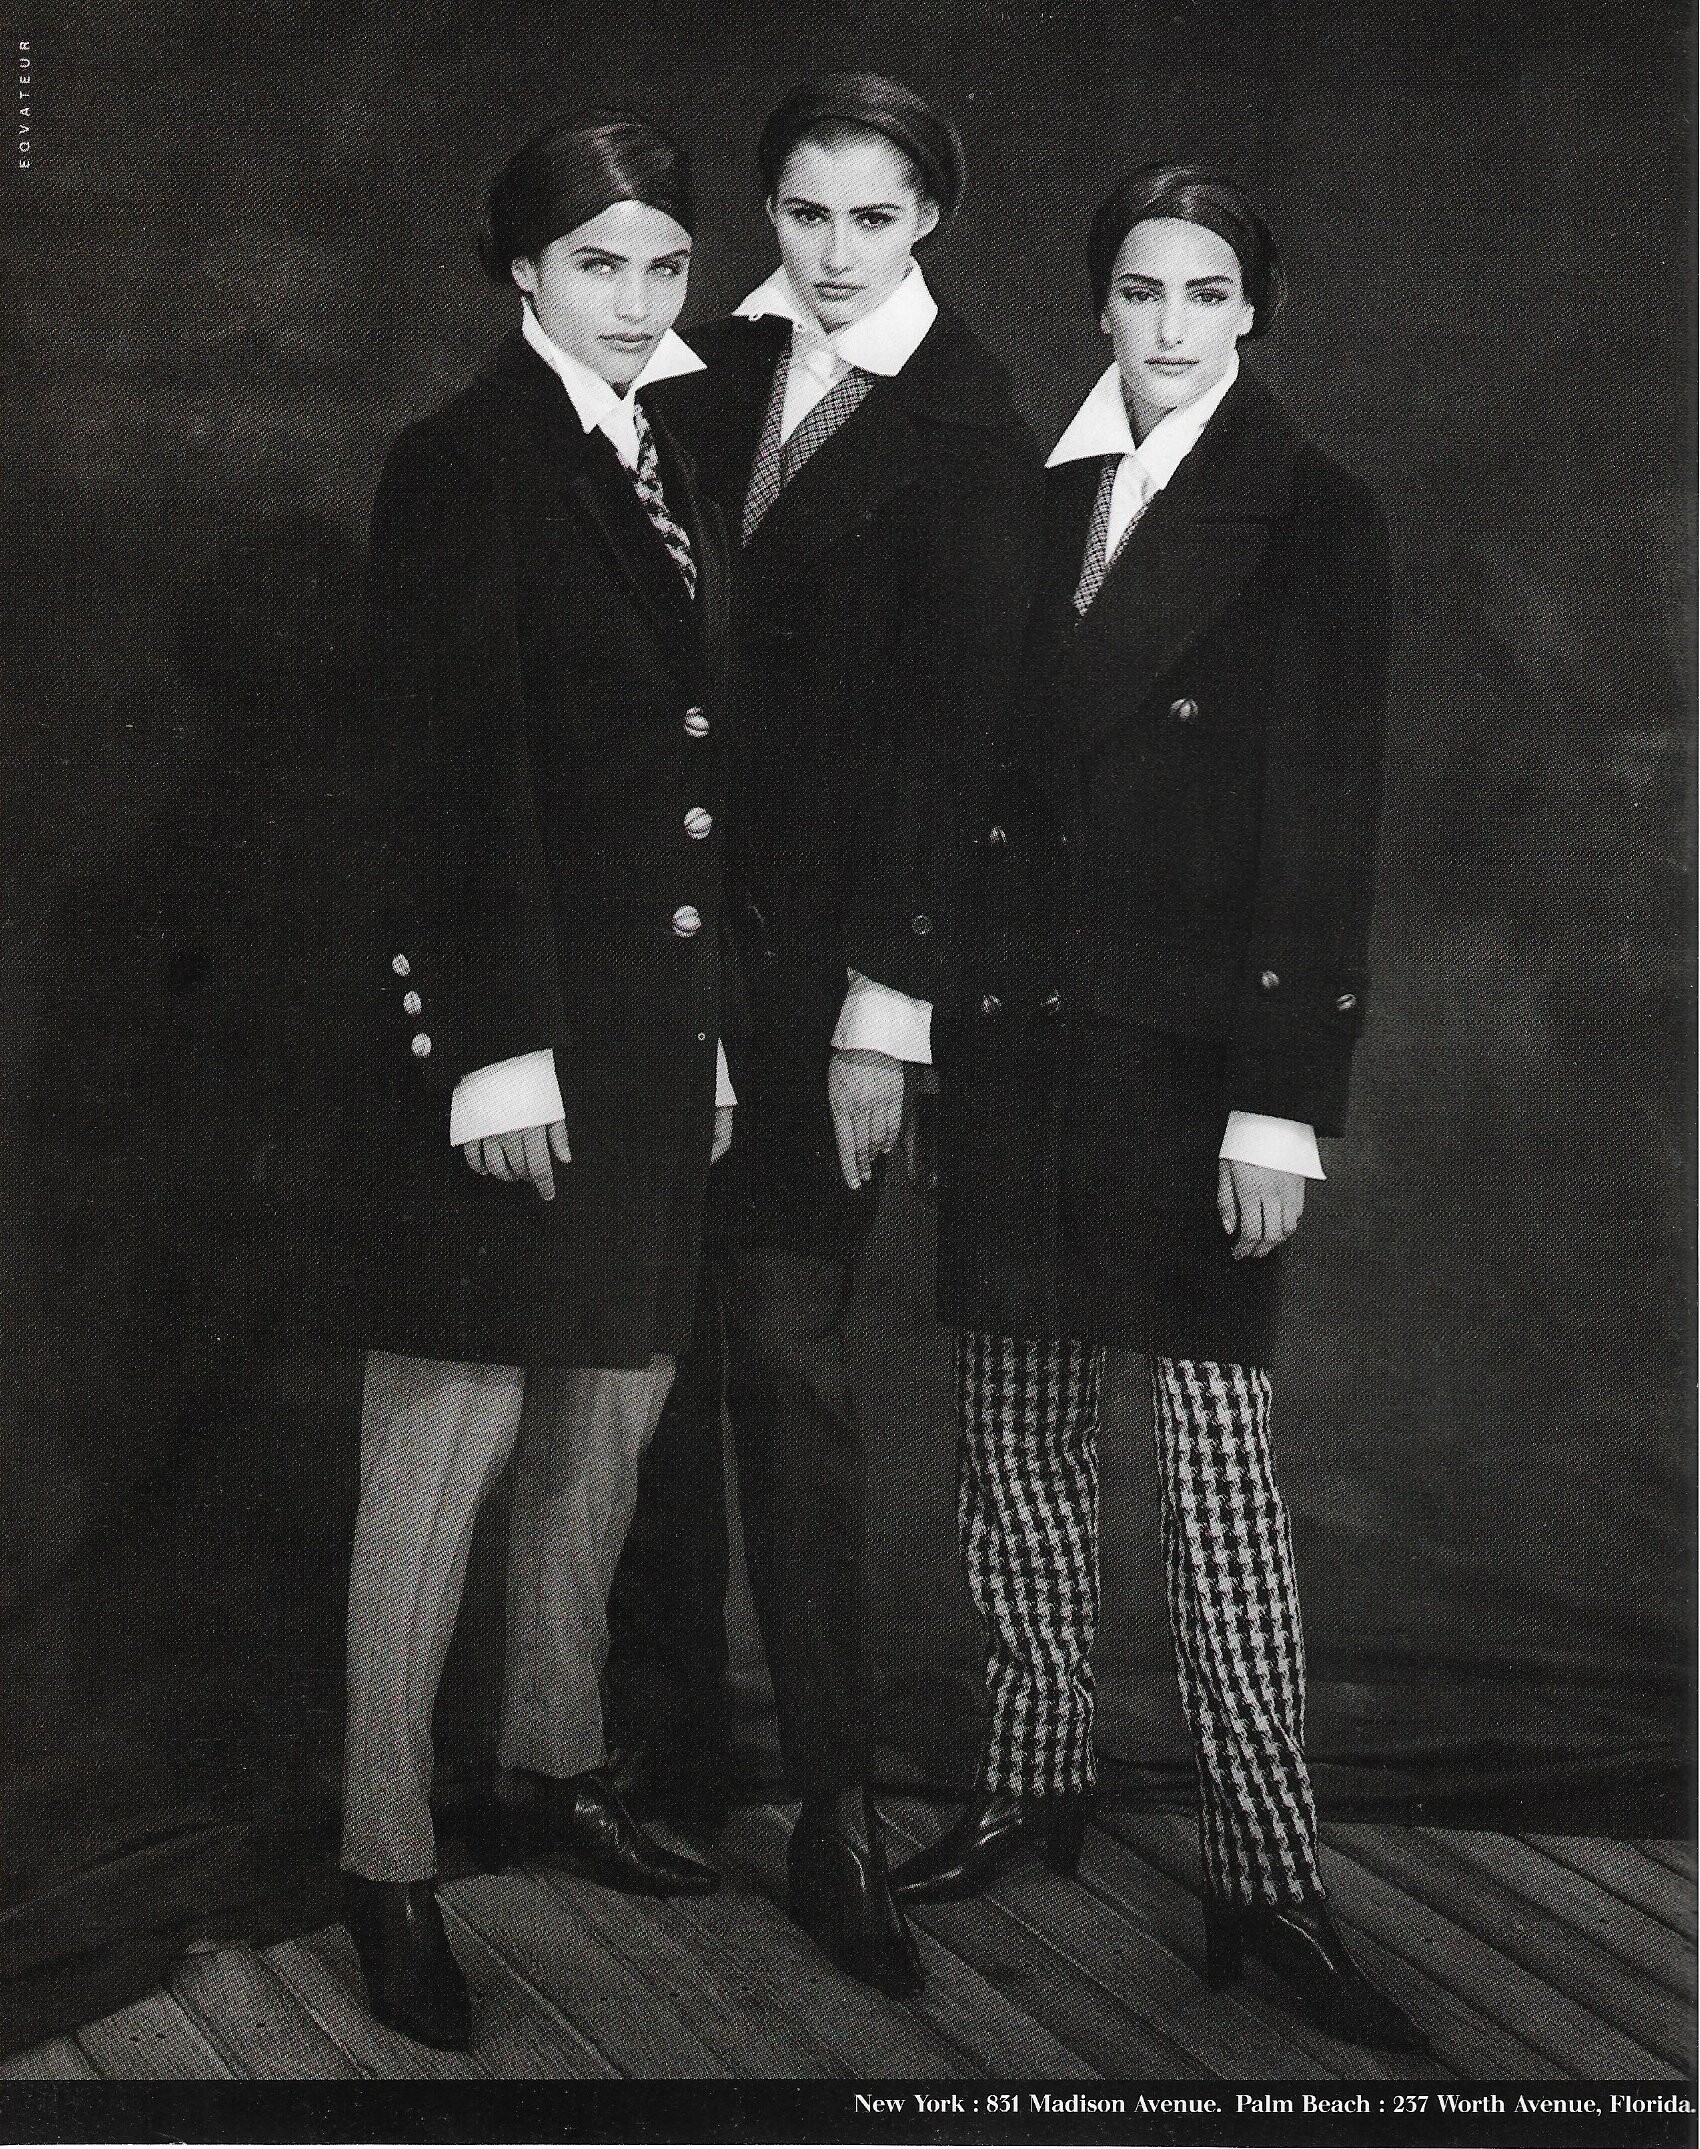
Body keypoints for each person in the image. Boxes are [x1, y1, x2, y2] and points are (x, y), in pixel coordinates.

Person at [894, 164, 1427, 2053]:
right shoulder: (1031, 503)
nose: (1172, 325)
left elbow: (1323, 828)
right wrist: (920, 1015)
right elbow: (960, 782)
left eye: (1207, 293)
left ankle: (1268, 1878)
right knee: (1017, 1444)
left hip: (1200, 1067)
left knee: (1216, 1480)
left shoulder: (1315, 515)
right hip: (1021, 1037)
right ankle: (1030, 1777)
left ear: (1254, 312)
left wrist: (1281, 1109)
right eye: (1141, 290)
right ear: (1101, 303)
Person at [603, 71, 1042, 1997]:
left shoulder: (969, 424)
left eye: (874, 216)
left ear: (930, 215)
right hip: (668, 963)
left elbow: (962, 750)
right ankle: (669, 1746)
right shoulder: (694, 383)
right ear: (768, 215)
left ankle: (835, 1799)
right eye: (804, 214)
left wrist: (889, 1006)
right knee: (653, 1360)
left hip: (833, 983)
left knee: (784, 1363)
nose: (838, 253)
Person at [339, 110, 733, 2051]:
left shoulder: (669, 450)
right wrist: (492, 1051)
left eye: (665, 265)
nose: (638, 301)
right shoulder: (464, 459)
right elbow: (437, 770)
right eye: (599, 266)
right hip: (512, 1046)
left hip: (651, 1036)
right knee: (451, 1441)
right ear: (522, 271)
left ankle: (554, 1763)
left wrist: (709, 1028)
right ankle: (384, 1855)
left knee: (608, 1418)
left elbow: (691, 768)